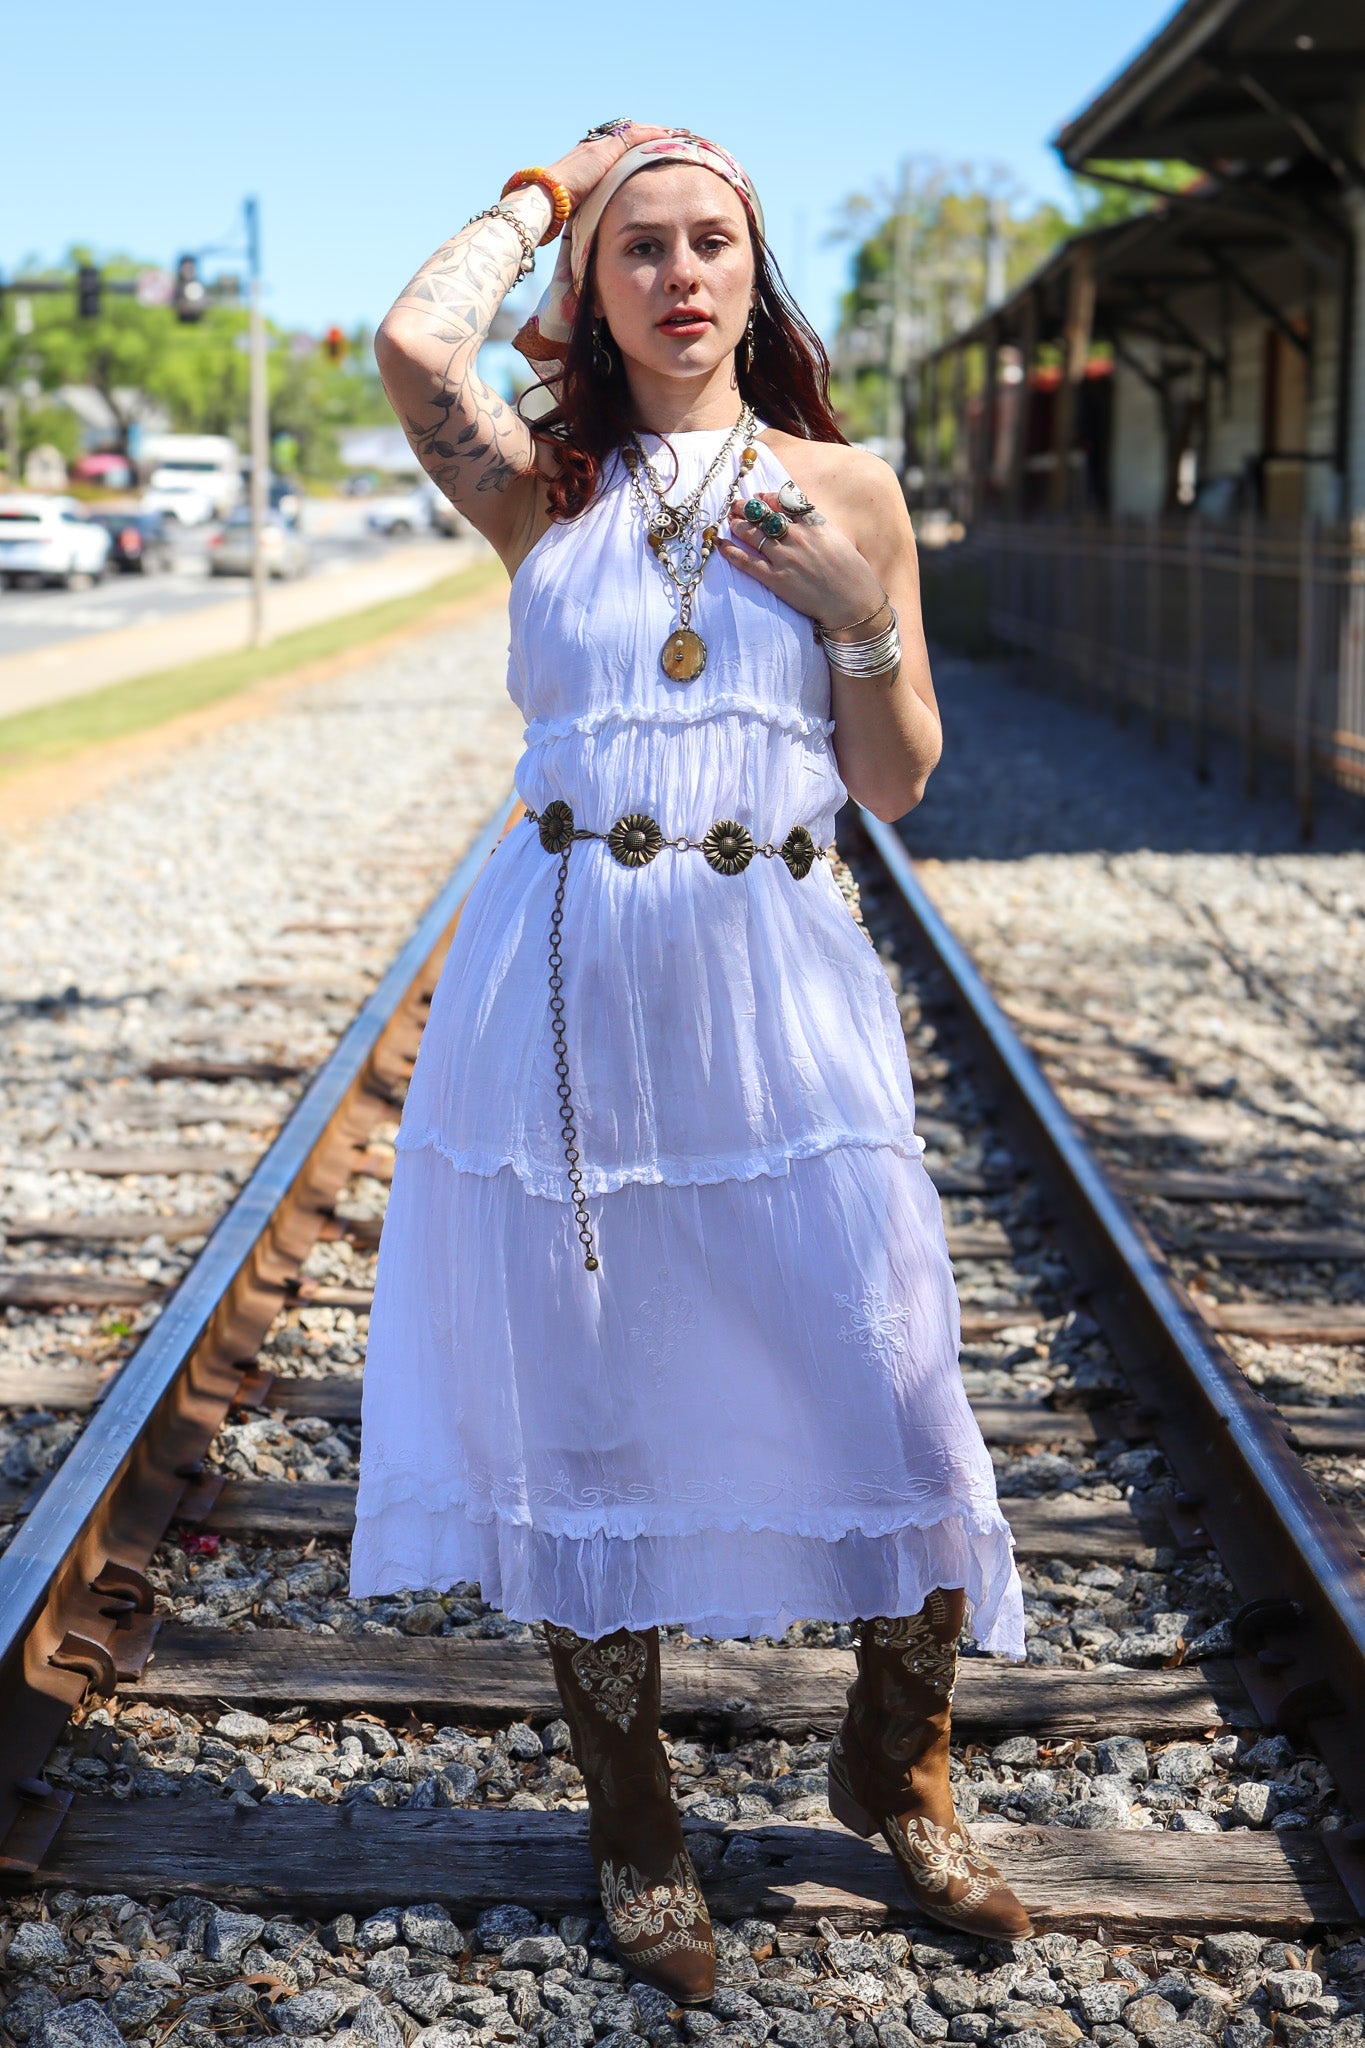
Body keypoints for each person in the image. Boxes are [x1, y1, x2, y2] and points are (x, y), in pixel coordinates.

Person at [350, 120, 1031, 1994]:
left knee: (892, 1364)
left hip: (781, 977)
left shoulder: (844, 484)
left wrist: (855, 612)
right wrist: (535, 193)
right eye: (638, 247)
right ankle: (631, 1818)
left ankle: (897, 1766)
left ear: (754, 272)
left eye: (708, 241)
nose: (676, 274)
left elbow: (894, 781)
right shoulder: (540, 487)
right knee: (595, 1400)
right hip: (562, 985)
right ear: (596, 288)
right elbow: (416, 350)